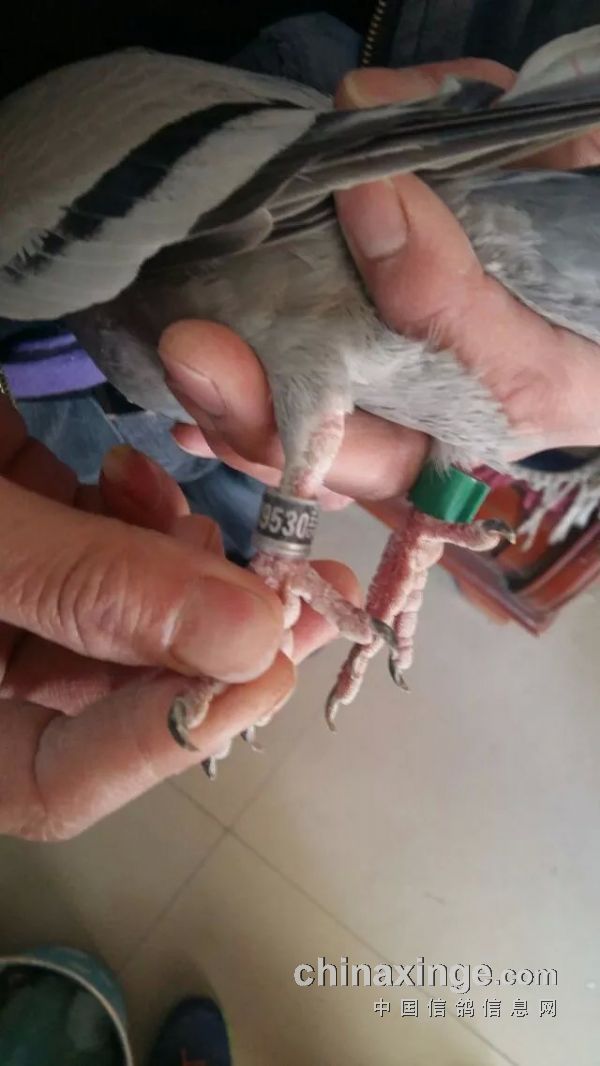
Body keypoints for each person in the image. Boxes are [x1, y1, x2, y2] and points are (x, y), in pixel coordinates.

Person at [2, 2, 600, 840]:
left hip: (193, 312)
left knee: (219, 481)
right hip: (225, 179)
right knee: (219, 476)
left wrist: (453, 492)